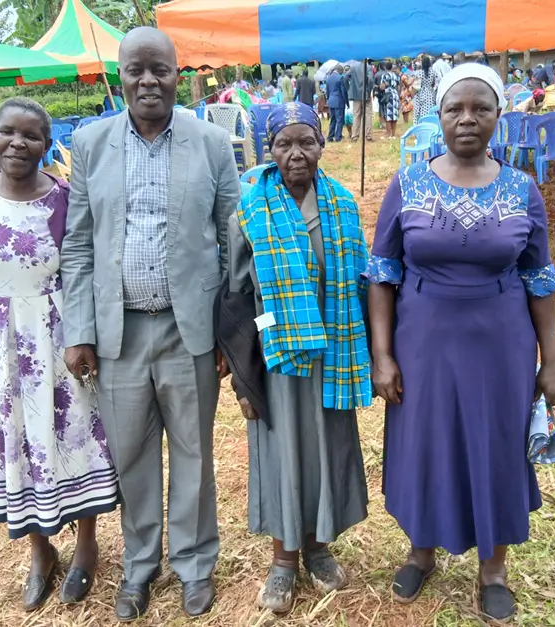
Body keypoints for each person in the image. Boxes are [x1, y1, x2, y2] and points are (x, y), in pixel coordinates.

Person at [366, 63, 555, 621]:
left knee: (495, 443)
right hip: (422, 341)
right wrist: (383, 355)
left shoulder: (522, 189)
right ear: (439, 114)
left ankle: (493, 568)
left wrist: (551, 363)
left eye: (481, 108)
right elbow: (382, 272)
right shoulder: (407, 183)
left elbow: (540, 279)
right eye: (455, 108)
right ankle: (421, 552)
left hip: (500, 343)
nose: (468, 119)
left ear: (500, 115)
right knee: (426, 442)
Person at [60, 27, 240, 621]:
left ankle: (193, 565)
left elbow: (232, 241)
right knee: (132, 455)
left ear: (177, 73)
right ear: (120, 75)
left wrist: (226, 331)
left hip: (190, 329)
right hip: (119, 333)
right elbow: (80, 244)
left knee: (193, 452)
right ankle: (140, 568)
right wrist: (79, 330)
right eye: (135, 70)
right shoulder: (90, 145)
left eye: (159, 69)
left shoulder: (213, 144)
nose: (147, 81)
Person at [0, 97, 119, 613]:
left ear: (48, 145)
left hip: (62, 339)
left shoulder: (65, 199)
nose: (17, 143)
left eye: (31, 135)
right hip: (2, 342)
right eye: (7, 132)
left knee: (75, 435)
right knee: (19, 441)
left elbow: (85, 270)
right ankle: (41, 552)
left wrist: (82, 336)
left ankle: (87, 545)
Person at [219, 101, 372, 614]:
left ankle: (318, 547)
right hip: (277, 356)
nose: (296, 153)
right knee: (284, 451)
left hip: (334, 353)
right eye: (284, 143)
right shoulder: (249, 209)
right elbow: (238, 293)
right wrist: (245, 372)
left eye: (306, 141)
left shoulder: (343, 205)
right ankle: (284, 560)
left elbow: (361, 282)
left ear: (322, 145)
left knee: (326, 447)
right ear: (269, 149)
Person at [344, 64, 373, 141]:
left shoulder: (353, 67)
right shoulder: (369, 67)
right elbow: (370, 80)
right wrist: (368, 90)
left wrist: (349, 89)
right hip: (366, 94)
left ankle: (355, 136)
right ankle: (368, 135)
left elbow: (345, 77)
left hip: (355, 94)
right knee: (368, 115)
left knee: (356, 115)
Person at [375, 61, 400, 139]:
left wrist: (379, 87)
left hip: (388, 95)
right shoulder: (396, 75)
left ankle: (388, 133)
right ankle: (393, 134)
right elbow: (398, 85)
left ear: (386, 67)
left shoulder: (385, 75)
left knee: (388, 114)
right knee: (394, 115)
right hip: (395, 94)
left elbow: (382, 87)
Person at [325, 65, 348, 142]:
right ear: (340, 70)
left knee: (333, 120)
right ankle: (338, 137)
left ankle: (330, 137)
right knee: (339, 120)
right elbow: (343, 92)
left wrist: (328, 100)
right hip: (339, 101)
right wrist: (346, 102)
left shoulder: (328, 78)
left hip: (331, 101)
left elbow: (327, 92)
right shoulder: (340, 78)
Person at [412, 55, 438, 121]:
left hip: (420, 94)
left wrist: (412, 94)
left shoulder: (419, 73)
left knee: (420, 112)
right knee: (430, 110)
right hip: (430, 94)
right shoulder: (433, 72)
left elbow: (416, 87)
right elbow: (433, 84)